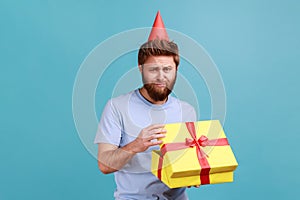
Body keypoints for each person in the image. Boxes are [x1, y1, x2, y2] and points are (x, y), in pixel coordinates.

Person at [94, 11, 197, 200]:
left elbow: (187, 166)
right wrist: (137, 145)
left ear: (176, 70)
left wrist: (194, 172)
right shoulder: (117, 107)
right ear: (141, 68)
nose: (161, 76)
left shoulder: (187, 111)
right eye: (153, 69)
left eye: (167, 69)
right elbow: (104, 165)